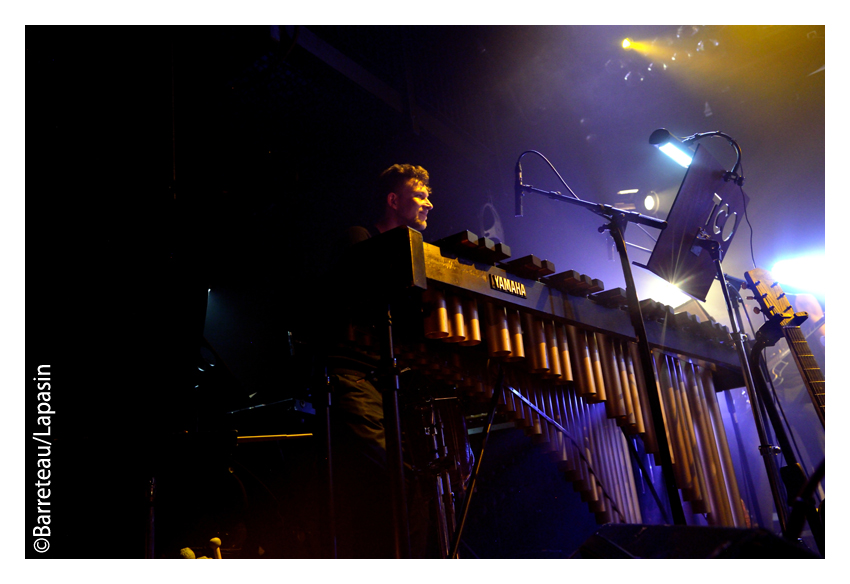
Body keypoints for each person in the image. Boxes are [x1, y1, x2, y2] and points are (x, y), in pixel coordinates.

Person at [323, 164, 435, 558]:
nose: (428, 204)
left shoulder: (415, 254)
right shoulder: (360, 239)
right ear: (393, 201)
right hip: (351, 374)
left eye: (427, 196)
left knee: (421, 481)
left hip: (390, 382)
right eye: (419, 196)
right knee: (398, 475)